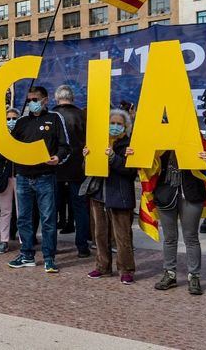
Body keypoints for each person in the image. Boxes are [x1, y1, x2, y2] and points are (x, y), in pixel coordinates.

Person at [8, 86, 71, 273]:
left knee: (48, 219)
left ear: (45, 100)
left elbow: (65, 146)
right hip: (23, 177)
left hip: (45, 176)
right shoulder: (21, 122)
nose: (32, 103)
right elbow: (10, 146)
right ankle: (27, 254)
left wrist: (58, 158)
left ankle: (49, 258)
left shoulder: (54, 118)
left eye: (35, 99)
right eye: (29, 100)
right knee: (24, 219)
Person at [82, 109, 137, 284]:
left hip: (120, 195)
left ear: (125, 127)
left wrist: (113, 158)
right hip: (99, 194)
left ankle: (126, 270)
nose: (114, 127)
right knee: (100, 234)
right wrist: (86, 158)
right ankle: (102, 267)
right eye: (112, 123)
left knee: (122, 237)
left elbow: (129, 171)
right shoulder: (97, 142)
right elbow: (87, 169)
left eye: (119, 124)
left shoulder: (129, 145)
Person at [148, 146, 206, 295]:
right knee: (169, 238)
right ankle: (170, 274)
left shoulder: (197, 140)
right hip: (165, 193)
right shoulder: (160, 142)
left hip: (191, 192)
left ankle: (194, 276)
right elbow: (147, 163)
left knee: (191, 237)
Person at [52, 85, 91, 257]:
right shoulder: (82, 115)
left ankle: (51, 246)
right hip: (79, 169)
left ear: (56, 98)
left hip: (55, 168)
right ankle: (82, 247)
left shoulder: (51, 116)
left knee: (51, 209)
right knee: (80, 208)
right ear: (73, 98)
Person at [0, 108, 20, 254]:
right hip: (5, 177)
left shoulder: (22, 134)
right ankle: (4, 240)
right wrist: (6, 151)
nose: (11, 121)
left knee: (22, 211)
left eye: (14, 118)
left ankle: (24, 240)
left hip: (20, 177)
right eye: (8, 118)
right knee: (5, 211)